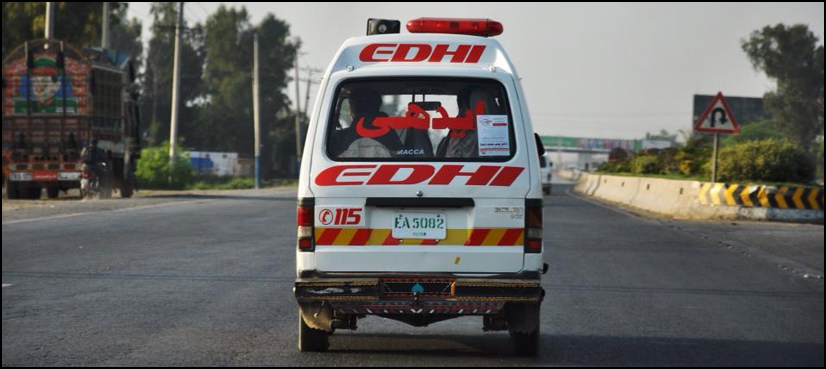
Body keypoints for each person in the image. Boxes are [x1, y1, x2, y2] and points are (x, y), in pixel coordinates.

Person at [332, 88, 403, 158]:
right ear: (377, 106)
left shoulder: (340, 138)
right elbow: (401, 154)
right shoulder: (390, 136)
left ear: (352, 109)